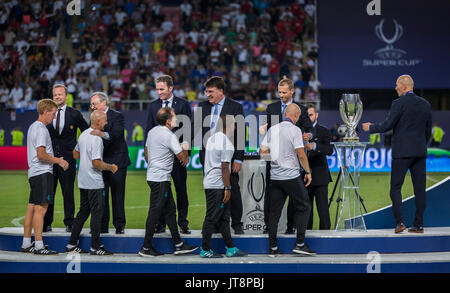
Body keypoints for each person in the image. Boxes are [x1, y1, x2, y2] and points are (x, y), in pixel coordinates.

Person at [362, 75, 432, 234]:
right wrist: (420, 145)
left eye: (397, 85)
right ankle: (419, 225)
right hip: (420, 153)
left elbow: (387, 125)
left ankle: (400, 223)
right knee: (420, 189)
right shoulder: (426, 104)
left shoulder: (398, 103)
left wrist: (370, 127)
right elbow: (428, 132)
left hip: (402, 153)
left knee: (395, 188)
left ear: (405, 86)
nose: (395, 88)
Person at [139, 107, 198, 257]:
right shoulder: (169, 135)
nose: (176, 119)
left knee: (170, 211)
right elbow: (183, 159)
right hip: (160, 180)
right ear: (168, 121)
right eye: (174, 117)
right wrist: (186, 144)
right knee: (154, 212)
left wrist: (153, 161)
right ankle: (146, 247)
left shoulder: (152, 131)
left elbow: (146, 150)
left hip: (155, 176)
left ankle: (178, 244)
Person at [260, 103, 315, 256]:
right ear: (296, 116)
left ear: (285, 114)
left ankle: (272, 248)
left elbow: (262, 152)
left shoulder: (272, 129)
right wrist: (308, 172)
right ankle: (300, 244)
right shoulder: (295, 130)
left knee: (274, 213)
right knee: (305, 206)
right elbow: (301, 154)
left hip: (275, 176)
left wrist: (275, 161)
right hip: (290, 175)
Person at [195, 76, 246, 234]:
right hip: (208, 157)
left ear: (221, 91)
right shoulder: (201, 107)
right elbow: (194, 130)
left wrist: (238, 157)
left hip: (228, 156)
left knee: (233, 190)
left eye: (210, 91)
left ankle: (237, 224)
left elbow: (241, 133)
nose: (207, 94)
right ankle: (215, 223)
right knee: (212, 191)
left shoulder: (235, 107)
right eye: (206, 91)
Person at [145, 75, 193, 234]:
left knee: (181, 190)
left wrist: (185, 154)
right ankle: (160, 223)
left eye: (161, 89)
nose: (158, 92)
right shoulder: (153, 106)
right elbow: (148, 131)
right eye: (157, 89)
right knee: (161, 192)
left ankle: (183, 223)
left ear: (170, 88)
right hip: (160, 157)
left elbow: (188, 130)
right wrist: (148, 155)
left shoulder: (184, 104)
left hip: (179, 157)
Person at [66, 110, 117, 255]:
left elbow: (75, 154)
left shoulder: (83, 134)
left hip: (82, 180)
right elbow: (96, 164)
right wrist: (110, 167)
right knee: (97, 213)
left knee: (83, 212)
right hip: (94, 181)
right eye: (105, 120)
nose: (106, 123)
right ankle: (95, 247)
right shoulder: (96, 139)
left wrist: (86, 155)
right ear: (98, 122)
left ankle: (72, 244)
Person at [21, 99, 69, 255]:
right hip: (42, 172)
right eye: (53, 114)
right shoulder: (41, 129)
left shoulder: (32, 127)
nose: (54, 117)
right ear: (46, 111)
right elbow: (41, 155)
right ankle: (39, 246)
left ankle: (26, 243)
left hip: (34, 173)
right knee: (41, 210)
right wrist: (59, 161)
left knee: (31, 209)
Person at [200, 114, 248, 258]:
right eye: (234, 125)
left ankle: (230, 247)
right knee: (212, 217)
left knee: (224, 218)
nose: (235, 128)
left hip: (210, 181)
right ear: (230, 126)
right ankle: (205, 249)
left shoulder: (211, 139)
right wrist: (227, 188)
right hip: (218, 185)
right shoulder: (226, 143)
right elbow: (224, 167)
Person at [43, 84, 89, 233]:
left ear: (66, 96)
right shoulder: (46, 114)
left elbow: (86, 132)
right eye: (55, 95)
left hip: (68, 160)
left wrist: (78, 149)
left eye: (60, 95)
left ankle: (70, 222)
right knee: (49, 191)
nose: (57, 97)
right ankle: (46, 222)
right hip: (49, 160)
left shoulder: (74, 114)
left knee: (68, 192)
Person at [90, 92, 131, 234]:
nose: (92, 107)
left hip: (118, 162)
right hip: (101, 163)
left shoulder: (117, 116)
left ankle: (119, 225)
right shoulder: (93, 118)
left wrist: (101, 133)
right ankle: (103, 226)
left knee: (118, 194)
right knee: (102, 196)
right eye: (91, 104)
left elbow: (117, 134)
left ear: (103, 103)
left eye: (94, 104)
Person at [304, 105, 333, 230]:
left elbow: (329, 150)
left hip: (320, 175)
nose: (309, 117)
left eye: (311, 114)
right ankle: (307, 236)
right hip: (303, 175)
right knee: (306, 209)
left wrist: (315, 146)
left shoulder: (324, 131)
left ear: (316, 115)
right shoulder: (299, 130)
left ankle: (326, 236)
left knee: (323, 209)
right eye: (307, 115)